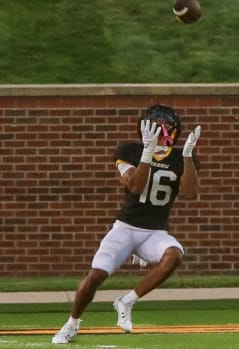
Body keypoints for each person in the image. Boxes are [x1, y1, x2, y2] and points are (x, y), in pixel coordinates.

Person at [52, 104, 201, 344]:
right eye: (159, 127)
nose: (164, 132)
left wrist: (186, 157)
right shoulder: (129, 150)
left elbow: (191, 192)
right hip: (126, 227)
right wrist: (147, 154)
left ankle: (127, 300)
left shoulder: (182, 156)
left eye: (167, 128)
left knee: (174, 255)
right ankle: (71, 324)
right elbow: (135, 185)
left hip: (155, 232)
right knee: (96, 276)